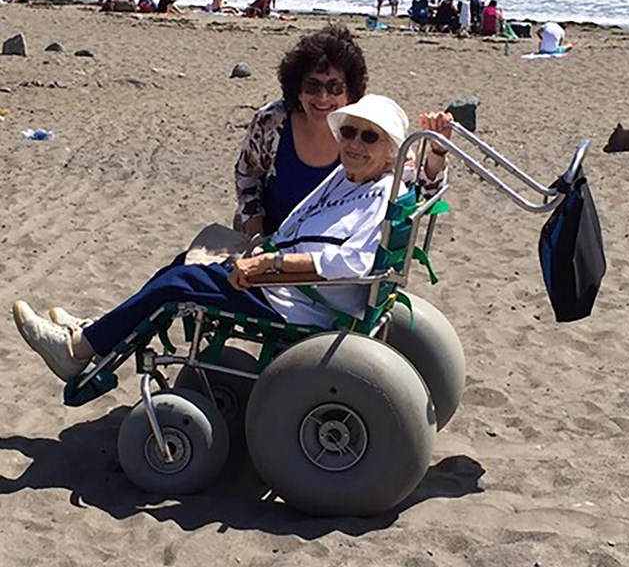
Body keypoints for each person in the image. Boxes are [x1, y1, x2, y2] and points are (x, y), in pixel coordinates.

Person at [12, 95, 454, 381]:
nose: (355, 143)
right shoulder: (354, 174)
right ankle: (95, 335)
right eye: (350, 132)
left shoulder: (383, 190)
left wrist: (269, 266)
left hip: (303, 299)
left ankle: (76, 351)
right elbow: (420, 182)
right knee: (183, 262)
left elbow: (356, 263)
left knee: (177, 286)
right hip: (284, 280)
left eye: (369, 136)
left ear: (392, 151)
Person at [234, 24, 448, 237]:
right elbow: (248, 177)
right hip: (269, 238)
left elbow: (420, 198)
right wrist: (256, 236)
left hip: (333, 252)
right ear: (297, 89)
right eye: (312, 86)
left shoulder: (368, 126)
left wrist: (437, 152)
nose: (323, 97)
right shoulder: (272, 122)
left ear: (351, 92)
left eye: (335, 87)